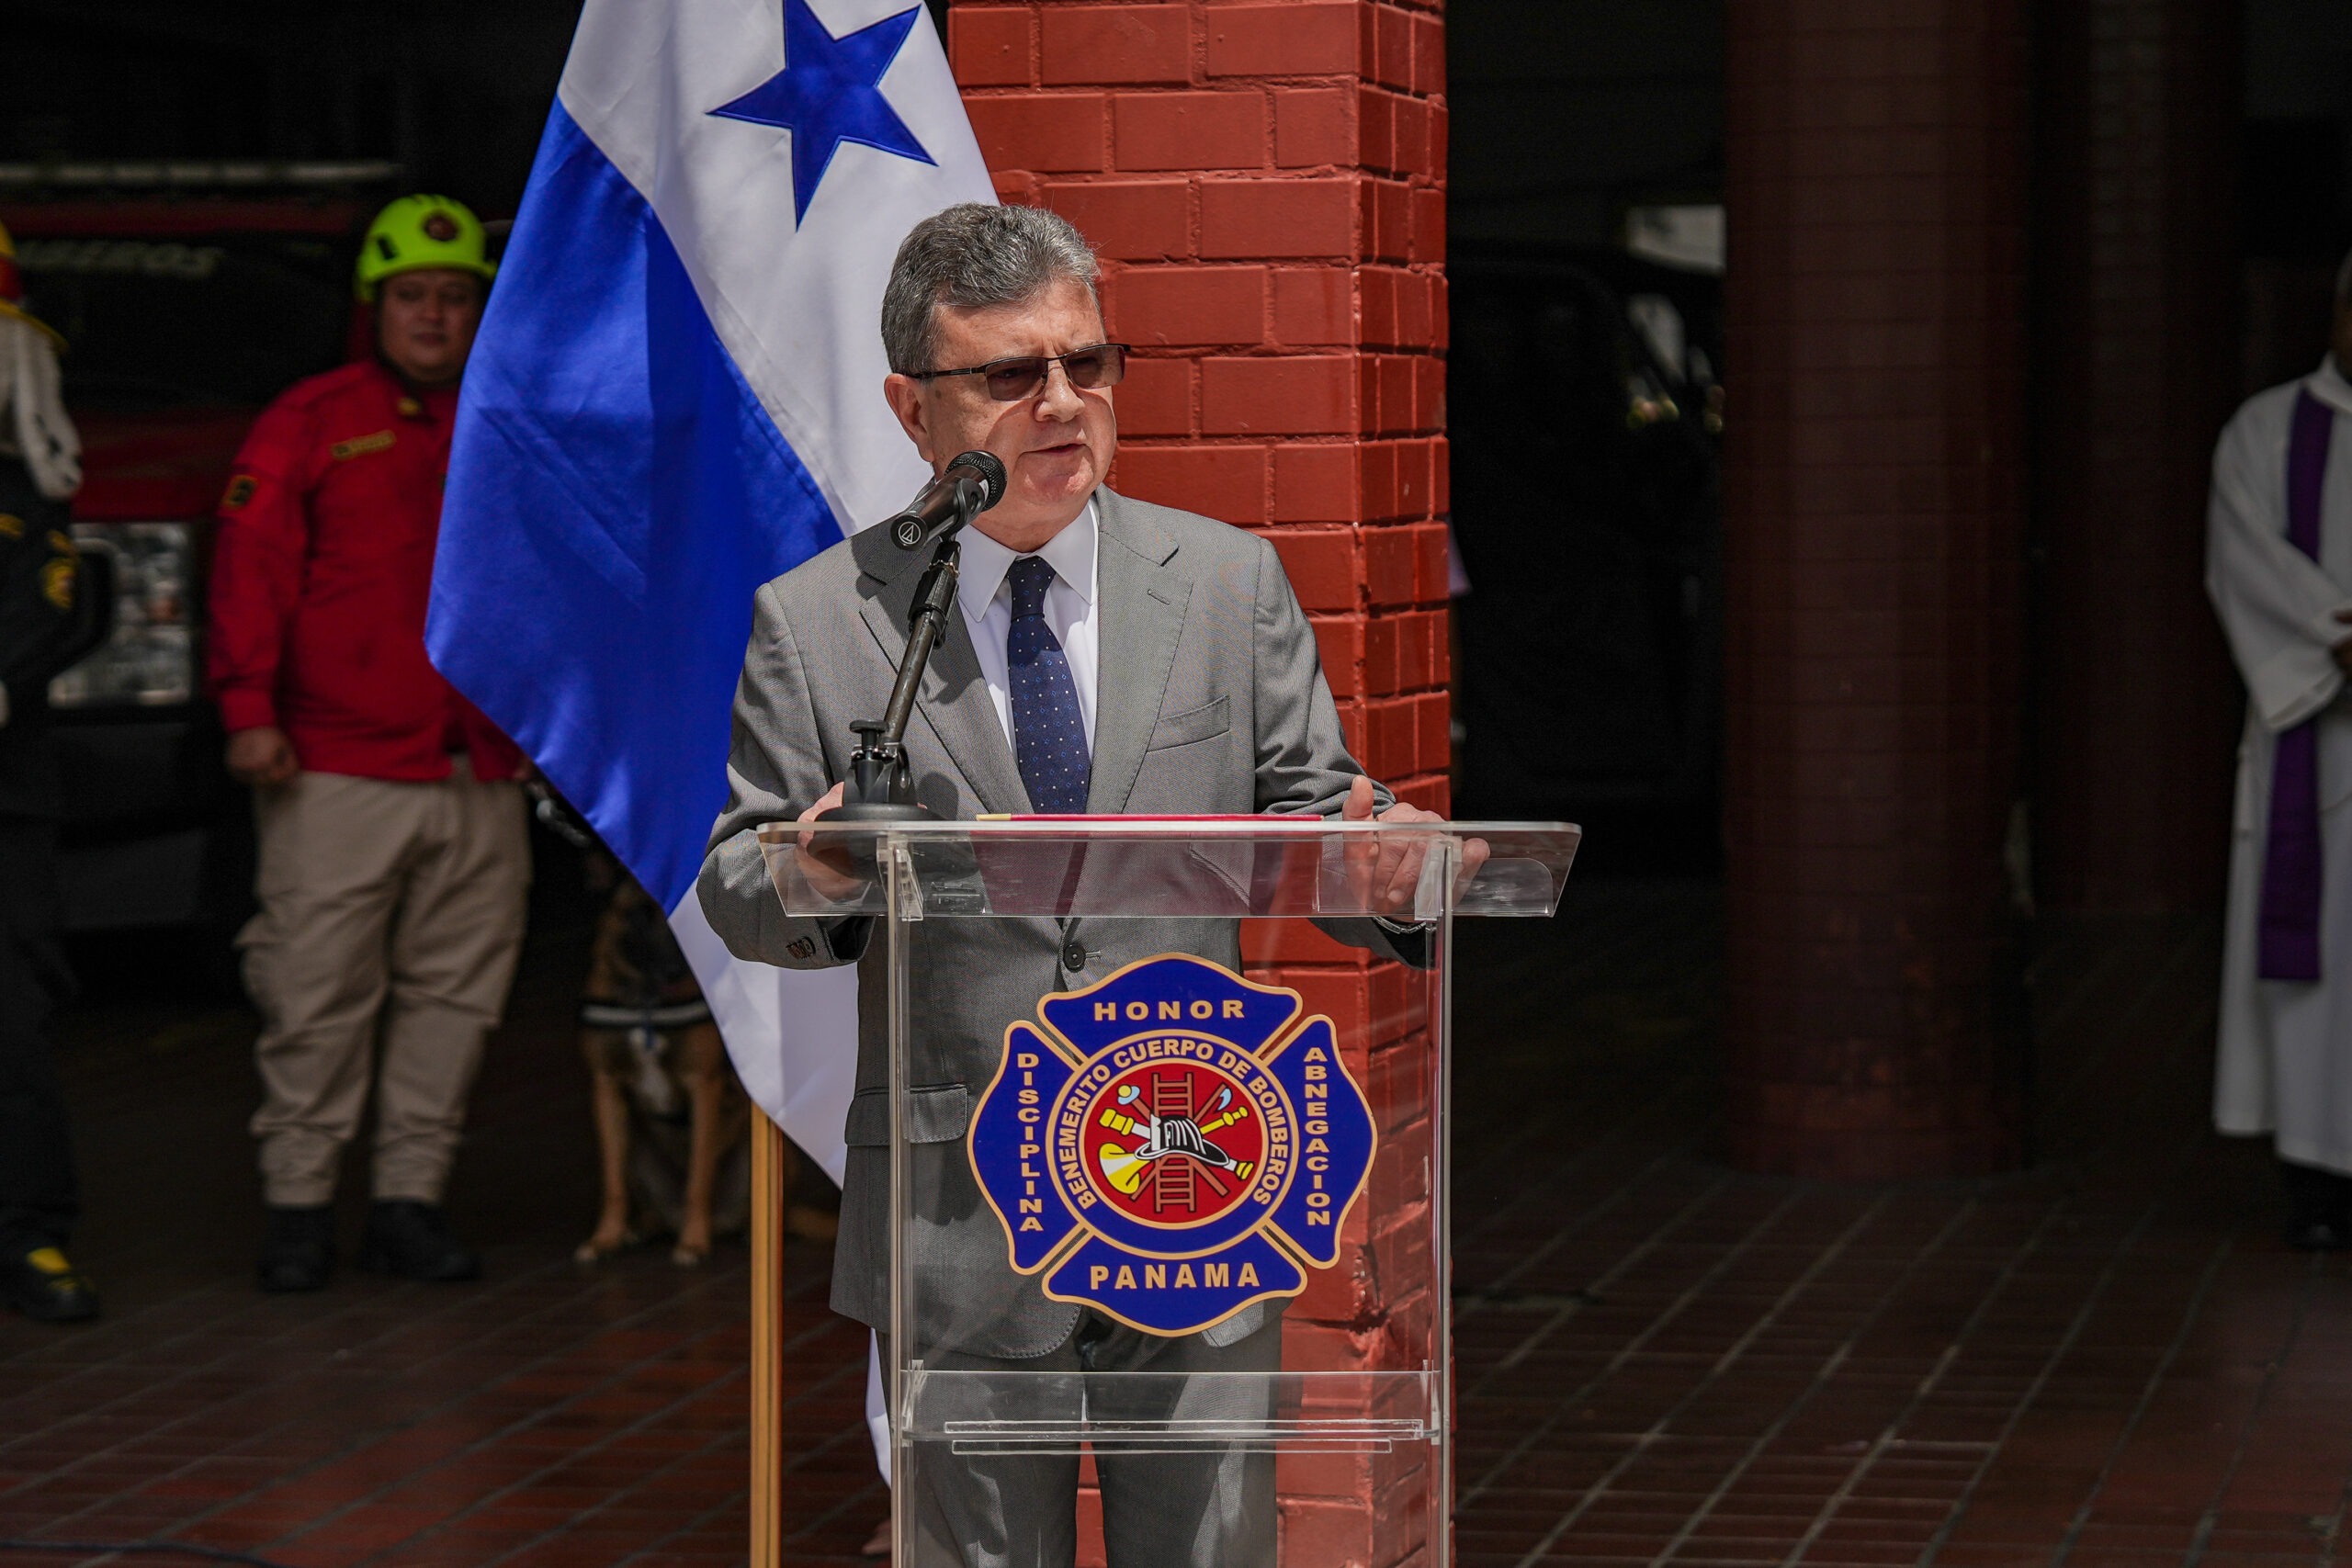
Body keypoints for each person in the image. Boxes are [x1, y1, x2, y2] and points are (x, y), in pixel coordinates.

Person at [696, 204, 1477, 1568]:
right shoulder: (825, 620)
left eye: (1088, 362)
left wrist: (1398, 866)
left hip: (1200, 1163)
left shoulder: (1225, 584)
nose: (1062, 403)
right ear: (913, 408)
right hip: (959, 1201)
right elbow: (739, 885)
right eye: (1012, 374)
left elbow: (1315, 815)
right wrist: (811, 866)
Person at [207, 195, 529, 1292]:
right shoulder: (311, 418)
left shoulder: (508, 422)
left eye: (454, 296)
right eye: (411, 296)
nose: (433, 316)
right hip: (334, 766)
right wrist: (247, 711)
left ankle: (407, 1204)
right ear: (373, 306)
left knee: (456, 999)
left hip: (479, 768)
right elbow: (249, 569)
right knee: (313, 993)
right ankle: (299, 1210)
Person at [2211, 245, 2352, 1248]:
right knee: (2319, 976)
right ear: (2337, 313)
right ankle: (2318, 1185)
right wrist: (2334, 641)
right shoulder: (2265, 431)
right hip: (2314, 739)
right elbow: (2240, 560)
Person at [0, 219, 107, 1324]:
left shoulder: (28, 480)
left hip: (6, 799)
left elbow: (54, 606)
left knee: (15, 1017)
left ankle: (28, 1232)